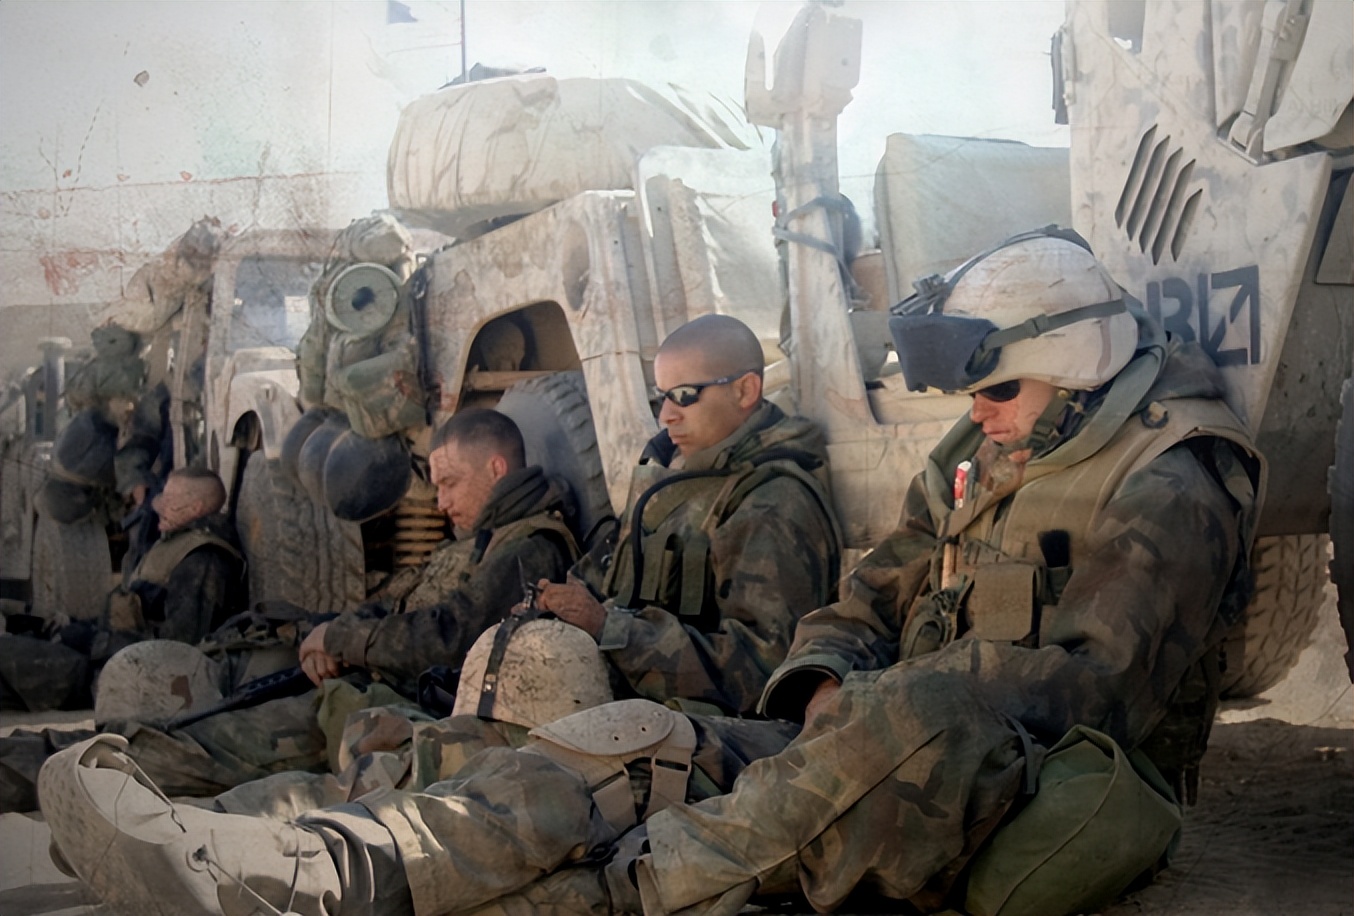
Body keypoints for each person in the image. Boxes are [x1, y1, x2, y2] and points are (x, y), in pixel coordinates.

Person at [41, 232, 1258, 916]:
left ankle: (595, 880)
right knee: (623, 743)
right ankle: (300, 864)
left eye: (996, 389)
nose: (975, 413)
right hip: (872, 743)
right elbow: (865, 598)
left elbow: (1096, 690)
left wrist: (870, 699)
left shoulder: (1168, 478)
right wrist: (822, 683)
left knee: (869, 733)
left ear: (1076, 362)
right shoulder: (985, 447)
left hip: (1044, 778)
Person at [214, 312, 843, 814]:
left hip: (676, 734)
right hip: (602, 708)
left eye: (685, 395)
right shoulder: (672, 482)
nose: (667, 414)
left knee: (438, 788)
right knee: (402, 756)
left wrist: (610, 629)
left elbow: (766, 674)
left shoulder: (772, 503)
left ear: (746, 390)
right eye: (661, 397)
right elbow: (600, 582)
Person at [0, 409, 579, 811]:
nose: (441, 501)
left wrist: (342, 641)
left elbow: (450, 636)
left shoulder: (529, 546)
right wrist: (332, 633)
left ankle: (27, 767)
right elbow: (399, 605)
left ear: (496, 469)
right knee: (176, 740)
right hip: (362, 693)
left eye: (450, 483)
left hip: (389, 712)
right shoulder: (483, 541)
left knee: (178, 751)